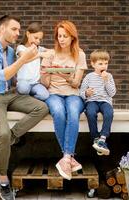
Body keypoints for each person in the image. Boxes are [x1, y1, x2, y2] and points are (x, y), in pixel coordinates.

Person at [0, 15, 49, 200]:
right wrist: (23, 60)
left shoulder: (10, 51)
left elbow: (15, 74)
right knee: (3, 134)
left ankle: (6, 140)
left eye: (18, 30)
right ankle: (3, 178)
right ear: (2, 29)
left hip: (8, 94)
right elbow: (0, 76)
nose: (18, 33)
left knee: (42, 108)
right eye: (14, 29)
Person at [41, 20, 87, 180]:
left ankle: (65, 158)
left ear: (72, 38)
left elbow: (76, 83)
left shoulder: (80, 55)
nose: (61, 39)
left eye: (65, 36)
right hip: (54, 94)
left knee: (73, 112)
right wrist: (45, 72)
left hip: (73, 94)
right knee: (59, 112)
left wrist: (64, 75)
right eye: (59, 36)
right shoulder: (50, 54)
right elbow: (45, 84)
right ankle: (68, 158)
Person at [80, 50, 116, 156]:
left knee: (109, 113)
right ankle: (95, 138)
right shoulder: (89, 77)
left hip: (105, 101)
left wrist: (106, 81)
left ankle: (103, 138)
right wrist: (86, 93)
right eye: (100, 64)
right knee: (90, 112)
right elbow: (81, 92)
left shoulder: (109, 76)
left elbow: (112, 93)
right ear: (93, 64)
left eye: (106, 63)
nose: (103, 66)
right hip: (92, 101)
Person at [16, 22, 50, 101]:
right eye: (36, 38)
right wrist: (39, 55)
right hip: (23, 82)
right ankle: (23, 97)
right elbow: (24, 59)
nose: (38, 41)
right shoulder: (21, 48)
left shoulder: (39, 49)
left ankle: (29, 99)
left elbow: (52, 51)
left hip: (35, 84)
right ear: (28, 34)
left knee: (45, 95)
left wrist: (71, 48)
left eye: (40, 39)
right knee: (24, 88)